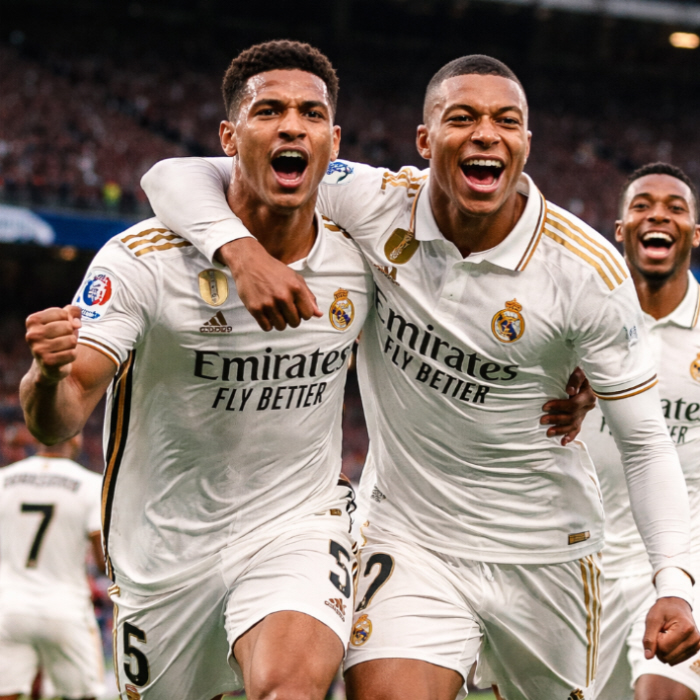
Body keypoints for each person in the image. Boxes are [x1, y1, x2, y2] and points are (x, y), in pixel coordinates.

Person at [140, 54, 700, 700]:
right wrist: (238, 252)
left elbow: (644, 442)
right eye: (461, 118)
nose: (485, 133)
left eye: (505, 121)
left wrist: (674, 583)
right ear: (425, 140)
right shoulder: (377, 202)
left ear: (526, 143)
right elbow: (173, 175)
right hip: (409, 537)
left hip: (544, 550)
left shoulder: (586, 272)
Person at [20, 40, 375, 700]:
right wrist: (46, 374)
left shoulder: (362, 255)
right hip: (163, 555)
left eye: (311, 113)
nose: (293, 125)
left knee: (289, 689)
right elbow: (59, 418)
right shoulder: (143, 260)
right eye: (268, 110)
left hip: (297, 525)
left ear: (334, 141)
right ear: (228, 138)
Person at [580, 163, 700, 700]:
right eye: (642, 206)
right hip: (582, 558)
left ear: (695, 233)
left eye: (675, 208)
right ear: (620, 230)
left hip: (685, 555)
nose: (659, 215)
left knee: (663, 690)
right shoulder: (580, 323)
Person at [0, 434, 105, 700]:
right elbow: (104, 562)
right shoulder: (91, 484)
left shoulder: (4, 479)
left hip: (9, 605)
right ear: (76, 439)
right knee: (83, 695)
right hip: (65, 607)